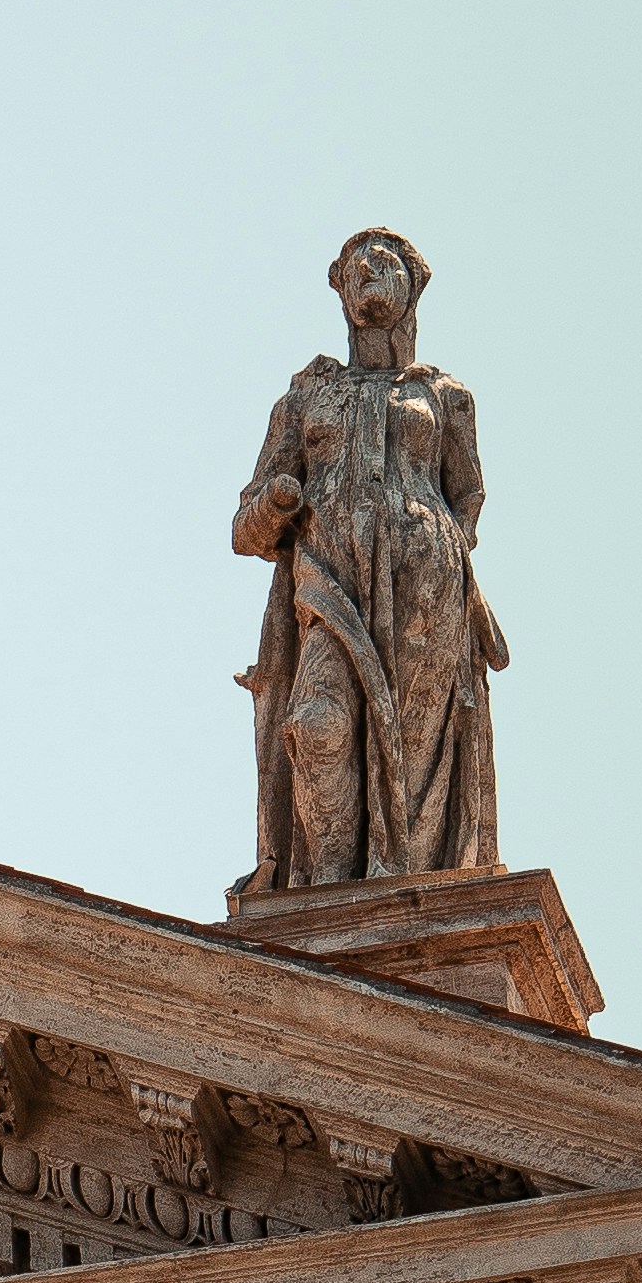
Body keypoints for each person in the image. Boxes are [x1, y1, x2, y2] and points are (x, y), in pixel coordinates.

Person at [231, 226, 506, 891]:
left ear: (415, 285)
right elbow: (246, 528)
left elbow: (467, 495)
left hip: (425, 594)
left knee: (412, 752)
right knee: (315, 725)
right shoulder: (309, 394)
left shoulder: (444, 396)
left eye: (384, 262)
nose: (368, 272)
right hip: (328, 585)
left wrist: (434, 548)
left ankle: (406, 899)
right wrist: (277, 502)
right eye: (354, 266)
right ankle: (323, 901)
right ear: (338, 287)